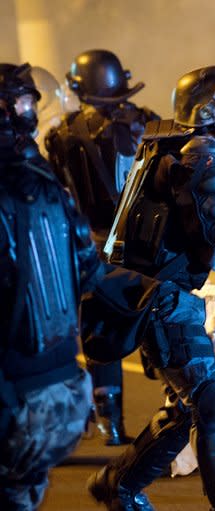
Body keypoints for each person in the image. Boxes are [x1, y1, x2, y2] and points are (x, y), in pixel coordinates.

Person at [86, 64, 215, 511]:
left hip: (147, 291)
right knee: (212, 402)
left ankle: (117, 484)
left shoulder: (180, 145)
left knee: (190, 405)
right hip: (159, 298)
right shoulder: (206, 156)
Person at [0, 62, 155, 511]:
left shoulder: (53, 153)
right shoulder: (44, 183)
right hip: (60, 402)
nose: (31, 109)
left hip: (14, 399)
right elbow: (87, 272)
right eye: (25, 100)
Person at [45, 49, 160, 446]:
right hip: (143, 243)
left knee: (99, 332)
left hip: (86, 244)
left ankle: (109, 421)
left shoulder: (60, 133)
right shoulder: (147, 123)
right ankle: (178, 415)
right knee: (158, 324)